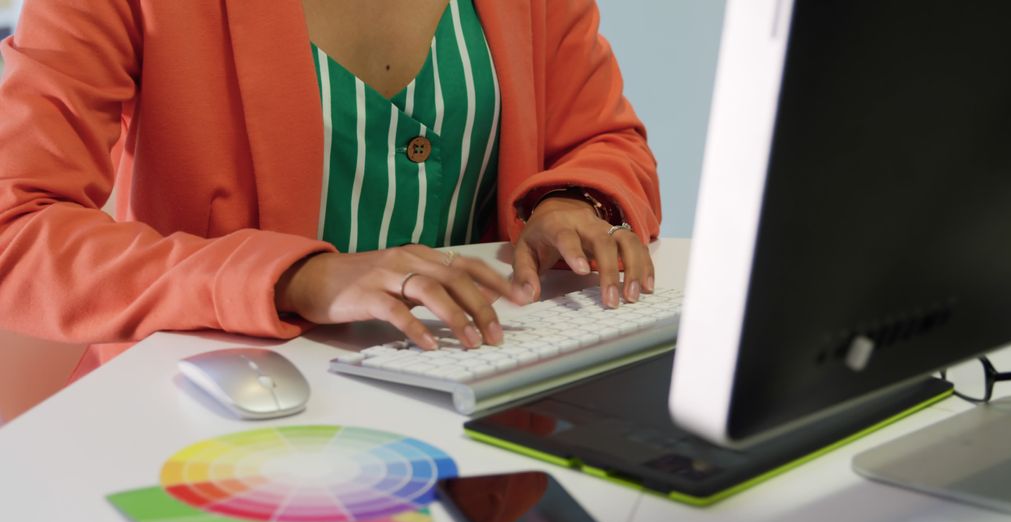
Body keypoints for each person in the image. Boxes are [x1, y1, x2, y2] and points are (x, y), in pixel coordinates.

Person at [0, 0, 661, 381]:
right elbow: (17, 228)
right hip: (209, 421)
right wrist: (293, 279)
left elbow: (605, 140)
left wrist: (573, 201)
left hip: (486, 394)